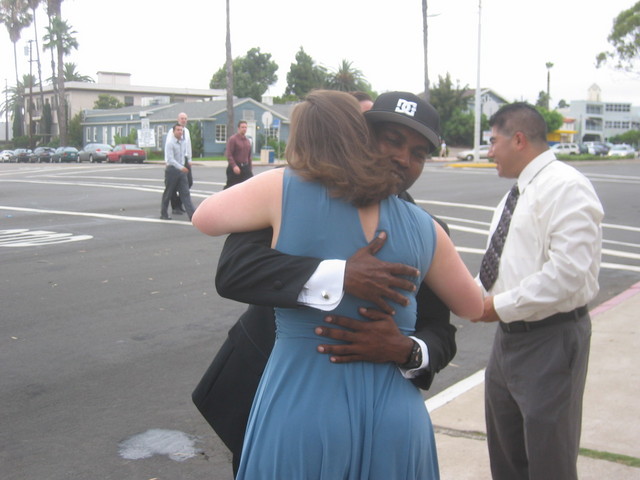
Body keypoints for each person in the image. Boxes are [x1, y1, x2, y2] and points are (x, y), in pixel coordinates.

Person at [193, 90, 483, 479]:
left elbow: (441, 329)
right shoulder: (423, 232)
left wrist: (407, 349)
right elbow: (234, 269)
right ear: (360, 136)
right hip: (273, 389)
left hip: (322, 410)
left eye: (418, 153)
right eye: (392, 140)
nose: (403, 158)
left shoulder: (428, 227)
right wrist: (339, 275)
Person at [471, 102, 604, 480]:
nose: (489, 152)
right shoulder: (514, 195)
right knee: (507, 457)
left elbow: (568, 275)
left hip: (551, 339)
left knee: (550, 462)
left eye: (493, 142)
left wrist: (497, 305)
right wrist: (468, 295)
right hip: (506, 340)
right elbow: (500, 266)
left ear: (518, 139)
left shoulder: (567, 187)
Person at [160, 123, 195, 220]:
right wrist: (180, 167)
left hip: (181, 171)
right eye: (178, 130)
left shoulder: (183, 142)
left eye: (181, 130)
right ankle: (164, 213)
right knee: (169, 192)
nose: (180, 132)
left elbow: (183, 156)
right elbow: (170, 159)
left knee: (185, 193)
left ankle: (192, 215)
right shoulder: (170, 143)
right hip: (172, 170)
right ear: (174, 131)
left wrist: (184, 165)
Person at [166, 112, 192, 215]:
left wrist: (189, 159)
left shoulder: (187, 131)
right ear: (178, 119)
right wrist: (167, 161)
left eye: (185, 118)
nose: (183, 120)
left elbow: (188, 145)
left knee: (188, 182)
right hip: (175, 160)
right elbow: (168, 147)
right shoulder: (171, 132)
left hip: (184, 159)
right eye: (182, 118)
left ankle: (180, 203)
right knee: (173, 185)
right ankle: (175, 206)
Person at [224, 120, 253, 189]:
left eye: (245, 127)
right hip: (235, 167)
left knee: (249, 185)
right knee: (231, 187)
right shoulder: (233, 139)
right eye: (242, 127)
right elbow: (229, 154)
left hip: (245, 167)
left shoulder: (247, 141)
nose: (244, 129)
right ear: (238, 128)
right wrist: (234, 166)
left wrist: (250, 167)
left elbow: (249, 156)